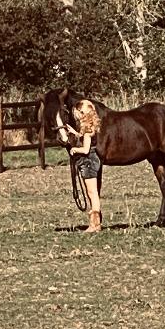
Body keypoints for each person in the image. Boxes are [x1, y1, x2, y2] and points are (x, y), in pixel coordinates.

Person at [68, 99, 103, 233]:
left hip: (88, 161)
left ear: (82, 113)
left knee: (92, 193)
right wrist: (74, 132)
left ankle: (95, 224)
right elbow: (83, 137)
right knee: (92, 192)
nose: (76, 116)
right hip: (92, 160)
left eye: (78, 113)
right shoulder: (90, 128)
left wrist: (75, 150)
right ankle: (95, 223)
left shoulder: (87, 131)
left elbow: (86, 149)